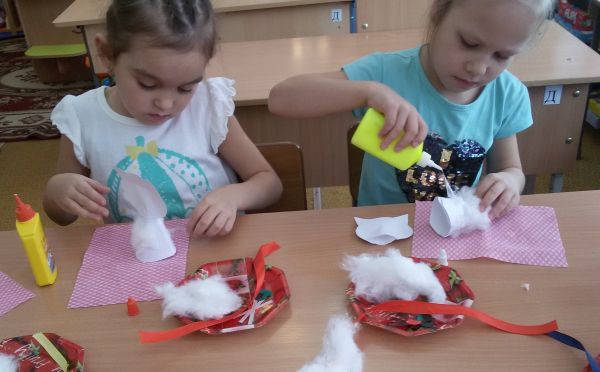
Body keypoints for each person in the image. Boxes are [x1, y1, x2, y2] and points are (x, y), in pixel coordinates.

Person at [269, 0, 555, 219]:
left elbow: (511, 168)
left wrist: (509, 181)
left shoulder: (507, 93)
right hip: (383, 231)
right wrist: (369, 92)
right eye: (469, 43)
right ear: (439, 13)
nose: (478, 68)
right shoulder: (386, 73)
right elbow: (281, 99)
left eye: (502, 56)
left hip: (457, 232)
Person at [43, 0, 282, 237]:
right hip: (137, 254)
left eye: (186, 88)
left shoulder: (208, 106)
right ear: (107, 55)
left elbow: (269, 183)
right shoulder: (82, 117)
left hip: (214, 248)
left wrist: (233, 196)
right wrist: (57, 191)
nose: (166, 104)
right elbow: (61, 218)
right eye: (148, 85)